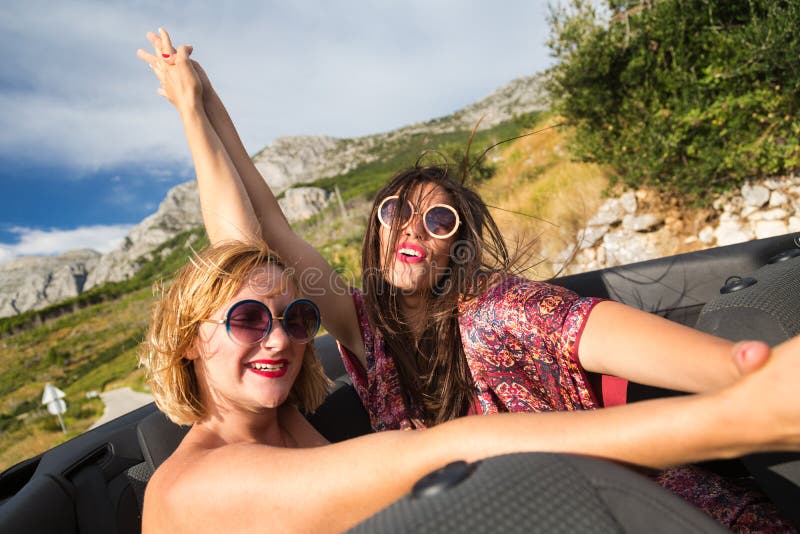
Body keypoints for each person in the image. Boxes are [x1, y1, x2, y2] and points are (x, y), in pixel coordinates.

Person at [137, 29, 798, 529]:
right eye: (397, 211)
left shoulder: (500, 310)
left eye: (441, 220)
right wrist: (200, 103)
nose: (414, 230)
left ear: (459, 251)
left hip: (604, 498)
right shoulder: (362, 328)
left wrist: (743, 387)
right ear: (375, 232)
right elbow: (256, 249)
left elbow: (607, 339)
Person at [140, 239, 800, 534]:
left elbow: (241, 238)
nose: (280, 339)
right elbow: (439, 454)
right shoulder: (196, 489)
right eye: (249, 319)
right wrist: (737, 418)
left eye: (297, 318)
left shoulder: (279, 428)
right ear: (192, 338)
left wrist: (199, 109)